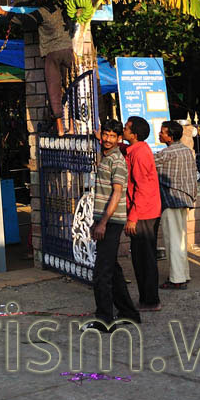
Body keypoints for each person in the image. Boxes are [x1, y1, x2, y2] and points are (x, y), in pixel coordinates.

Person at [84, 118, 140, 330]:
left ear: (119, 139)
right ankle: (129, 312)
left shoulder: (117, 160)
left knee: (101, 273)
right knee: (112, 270)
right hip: (103, 220)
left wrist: (103, 223)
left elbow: (117, 193)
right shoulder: (105, 157)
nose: (107, 139)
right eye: (104, 134)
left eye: (112, 136)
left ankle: (104, 320)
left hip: (112, 221)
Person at [0, 0, 73, 133]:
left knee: (54, 89)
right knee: (71, 87)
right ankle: (73, 127)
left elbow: (24, 20)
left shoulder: (43, 12)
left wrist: (3, 12)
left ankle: (60, 128)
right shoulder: (66, 8)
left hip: (52, 53)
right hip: (69, 51)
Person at [121, 116, 162, 311]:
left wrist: (132, 218)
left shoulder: (140, 154)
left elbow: (142, 187)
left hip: (144, 213)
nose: (124, 129)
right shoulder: (137, 149)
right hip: (146, 210)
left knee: (144, 259)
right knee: (142, 257)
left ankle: (150, 300)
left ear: (134, 134)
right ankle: (148, 298)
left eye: (126, 128)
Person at [156, 120, 196, 290]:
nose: (160, 134)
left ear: (170, 137)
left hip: (170, 199)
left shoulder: (167, 153)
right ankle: (183, 274)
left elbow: (148, 164)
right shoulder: (187, 151)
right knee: (180, 239)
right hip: (184, 198)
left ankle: (177, 279)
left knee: (172, 240)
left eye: (163, 132)